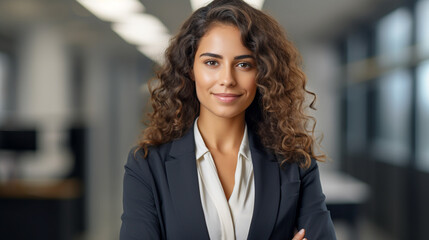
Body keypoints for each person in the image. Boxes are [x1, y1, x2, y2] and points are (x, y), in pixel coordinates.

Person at [120, 0, 336, 239]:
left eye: (244, 64)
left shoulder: (295, 163)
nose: (227, 79)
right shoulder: (148, 166)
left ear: (262, 72)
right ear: (190, 69)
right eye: (212, 62)